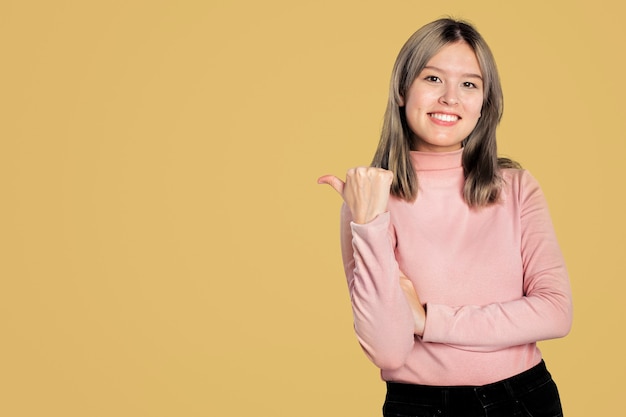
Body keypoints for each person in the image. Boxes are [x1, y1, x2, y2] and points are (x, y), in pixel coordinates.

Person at [318, 18, 572, 417]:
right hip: (421, 406)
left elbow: (556, 312)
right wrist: (369, 224)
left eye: (469, 84)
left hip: (524, 399)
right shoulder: (368, 200)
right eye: (433, 79)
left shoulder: (517, 188)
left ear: (484, 103)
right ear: (403, 90)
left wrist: (428, 320)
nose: (450, 98)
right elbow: (388, 349)